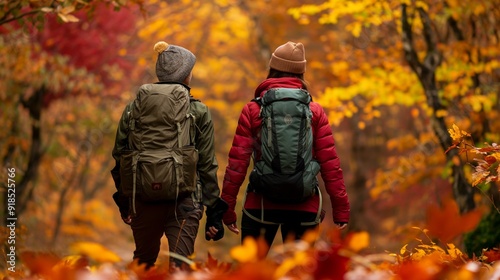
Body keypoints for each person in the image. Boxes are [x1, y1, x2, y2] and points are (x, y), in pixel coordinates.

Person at [221, 41, 350, 252]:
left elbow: (237, 163)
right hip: (304, 207)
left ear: (272, 69)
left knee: (253, 274)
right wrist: (341, 209)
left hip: (260, 207)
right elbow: (330, 165)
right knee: (298, 273)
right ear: (301, 74)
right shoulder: (315, 111)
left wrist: (226, 208)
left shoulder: (253, 110)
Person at [110, 41, 226, 269]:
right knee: (180, 267)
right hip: (185, 201)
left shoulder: (133, 109)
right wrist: (214, 209)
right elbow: (207, 165)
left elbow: (120, 156)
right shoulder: (198, 111)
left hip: (142, 200)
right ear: (185, 75)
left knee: (143, 265)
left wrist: (125, 201)